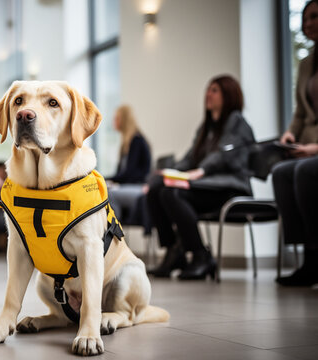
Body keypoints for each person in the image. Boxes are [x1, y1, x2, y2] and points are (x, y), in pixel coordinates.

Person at [146, 75, 255, 280]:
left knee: (173, 194)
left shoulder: (237, 123)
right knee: (156, 189)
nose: (208, 94)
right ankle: (173, 251)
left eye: (214, 90)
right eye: (208, 90)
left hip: (231, 187)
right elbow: (190, 158)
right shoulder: (206, 128)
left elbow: (225, 155)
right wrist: (170, 172)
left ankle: (200, 255)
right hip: (208, 186)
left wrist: (201, 171)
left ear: (229, 95)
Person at [273, 0, 318, 287]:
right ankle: (308, 257)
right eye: (306, 18)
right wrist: (290, 135)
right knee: (282, 171)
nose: (309, 23)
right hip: (308, 146)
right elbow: (301, 113)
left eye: (315, 16)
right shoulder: (306, 64)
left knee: (304, 171)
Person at [107, 105, 152, 223]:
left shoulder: (136, 140)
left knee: (108, 195)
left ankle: (115, 234)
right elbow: (121, 174)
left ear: (124, 120)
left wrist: (104, 179)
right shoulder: (125, 143)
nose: (114, 122)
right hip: (131, 186)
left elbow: (130, 174)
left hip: (139, 188)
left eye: (116, 118)